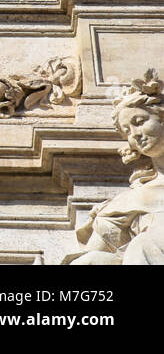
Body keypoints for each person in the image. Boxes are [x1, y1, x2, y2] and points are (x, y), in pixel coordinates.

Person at [67, 71, 164, 264]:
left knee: (142, 245)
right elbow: (93, 252)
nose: (135, 135)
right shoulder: (129, 200)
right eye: (127, 131)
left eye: (140, 122)